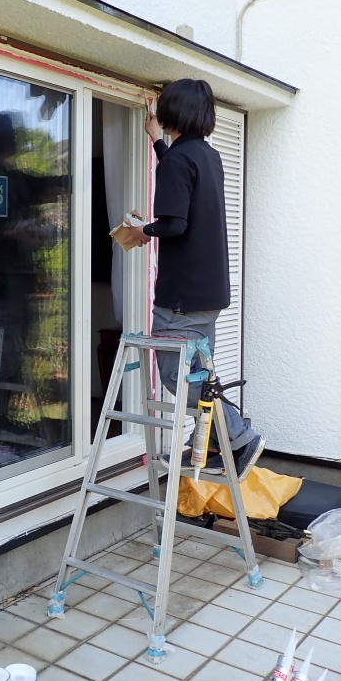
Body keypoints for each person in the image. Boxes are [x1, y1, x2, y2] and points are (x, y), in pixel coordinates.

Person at [124, 79, 264, 481]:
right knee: (201, 376)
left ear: (174, 112)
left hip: (182, 296)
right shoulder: (208, 156)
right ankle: (221, 440)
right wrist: (157, 142)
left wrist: (141, 231)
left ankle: (239, 437)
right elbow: (179, 173)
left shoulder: (179, 161)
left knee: (178, 378)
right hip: (209, 292)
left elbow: (174, 224)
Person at [0, 112, 65, 434]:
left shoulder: (16, 180)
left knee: (16, 354)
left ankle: (1, 420)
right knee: (8, 354)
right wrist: (10, 233)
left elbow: (53, 185)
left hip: (20, 282)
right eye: (11, 135)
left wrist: (36, 231)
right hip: (0, 284)